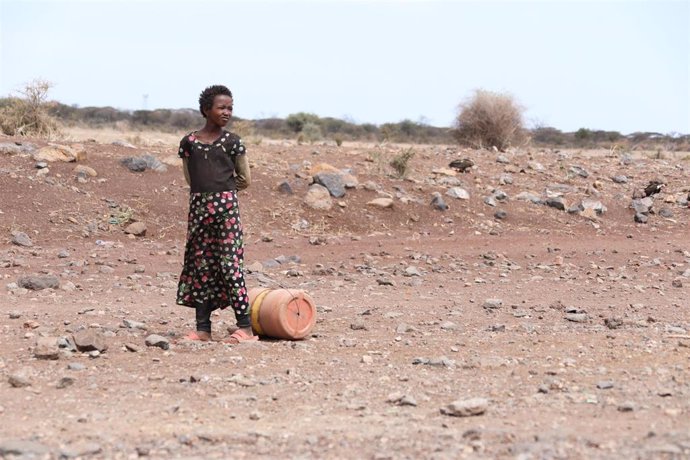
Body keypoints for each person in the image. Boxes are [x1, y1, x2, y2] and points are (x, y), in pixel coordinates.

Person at [176, 84, 257, 344]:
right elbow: (191, 179)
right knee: (201, 266)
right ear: (205, 110)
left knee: (230, 265)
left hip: (226, 212)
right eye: (221, 107)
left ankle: (245, 328)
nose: (227, 112)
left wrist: (222, 193)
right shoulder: (188, 143)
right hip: (199, 210)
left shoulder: (233, 142)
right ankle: (203, 329)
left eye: (230, 108)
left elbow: (244, 179)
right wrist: (208, 195)